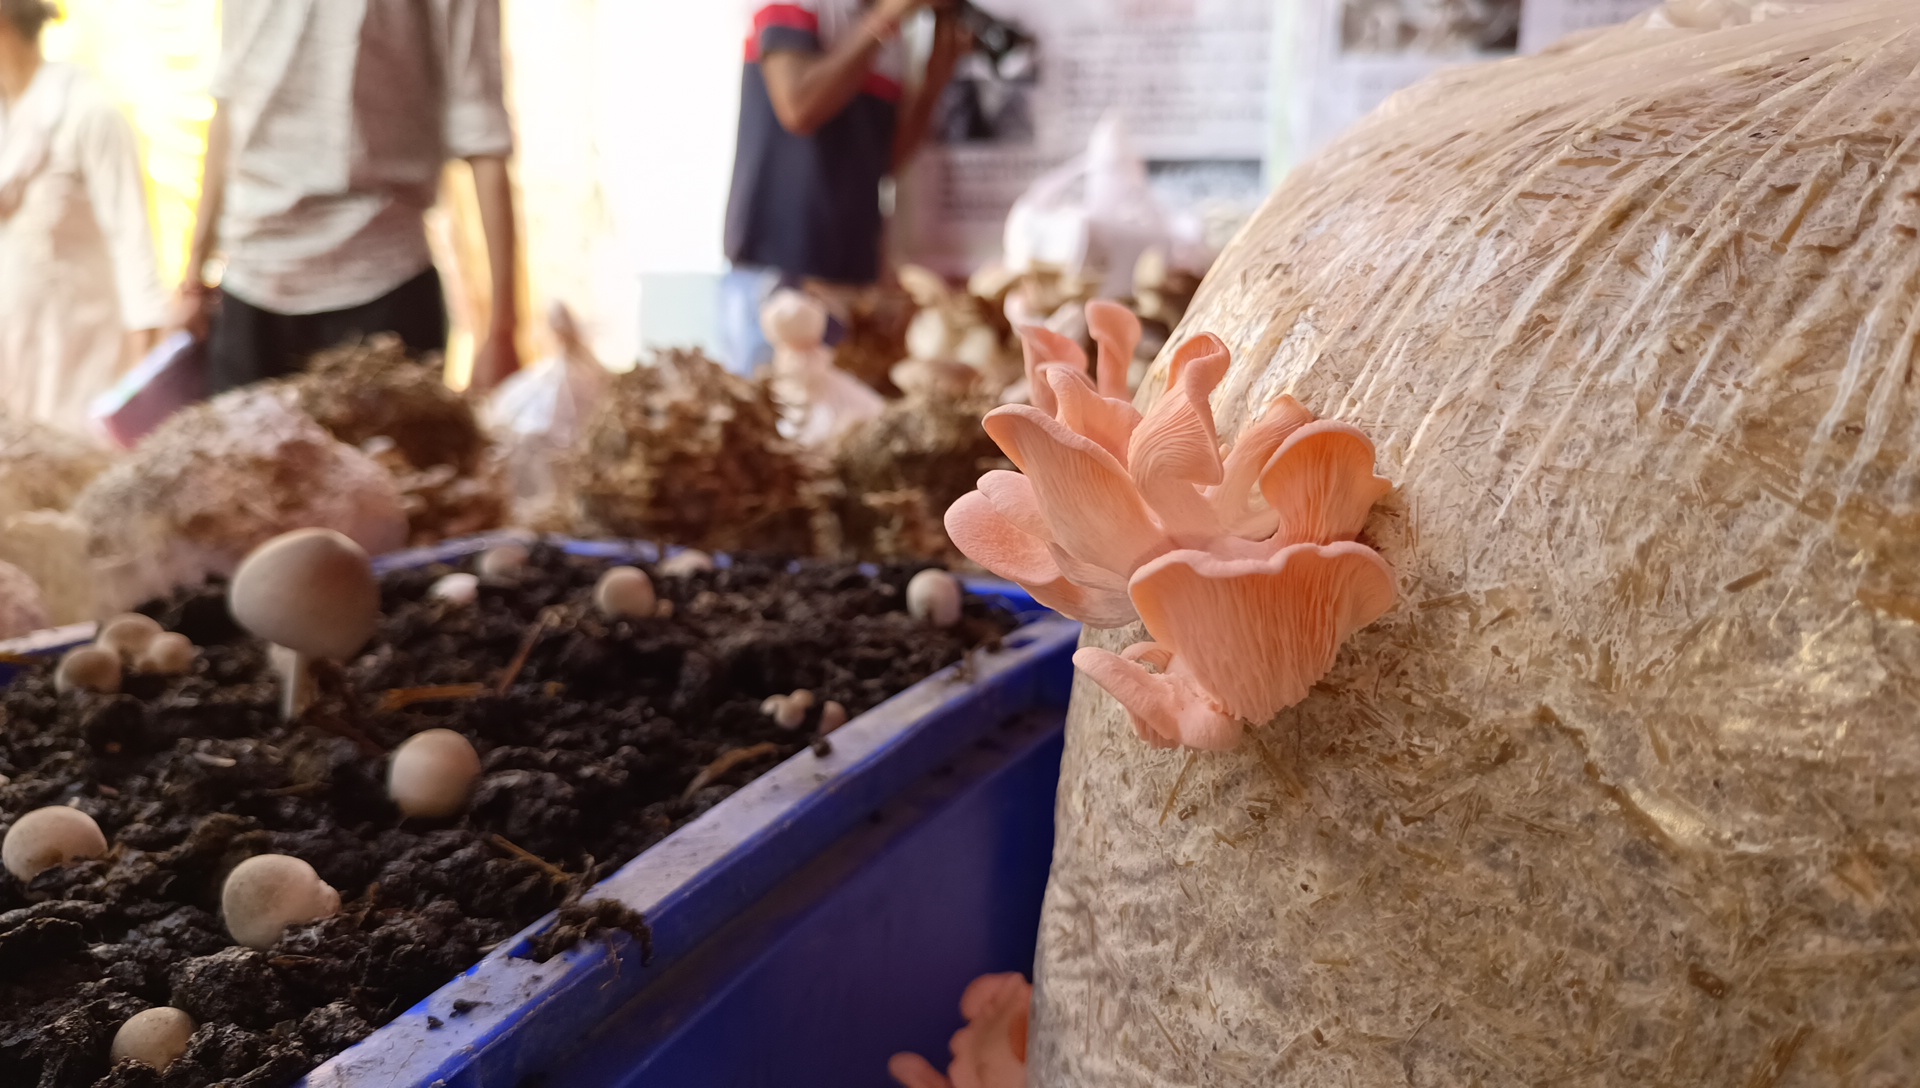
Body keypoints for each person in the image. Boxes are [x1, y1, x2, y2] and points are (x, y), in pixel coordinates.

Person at [176, 0, 521, 395]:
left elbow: (484, 135)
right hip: (250, 289)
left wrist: (502, 330)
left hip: (384, 290)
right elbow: (229, 100)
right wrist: (192, 280)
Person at [720, 0, 967, 375]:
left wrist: (935, 79)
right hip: (776, 269)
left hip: (850, 278)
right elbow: (798, 106)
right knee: (770, 419)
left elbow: (884, 159)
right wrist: (885, 19)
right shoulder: (810, 7)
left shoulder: (890, 38)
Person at [0, 0, 167, 436]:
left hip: (83, 359)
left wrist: (142, 370)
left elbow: (134, 241)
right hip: (15, 356)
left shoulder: (89, 111)